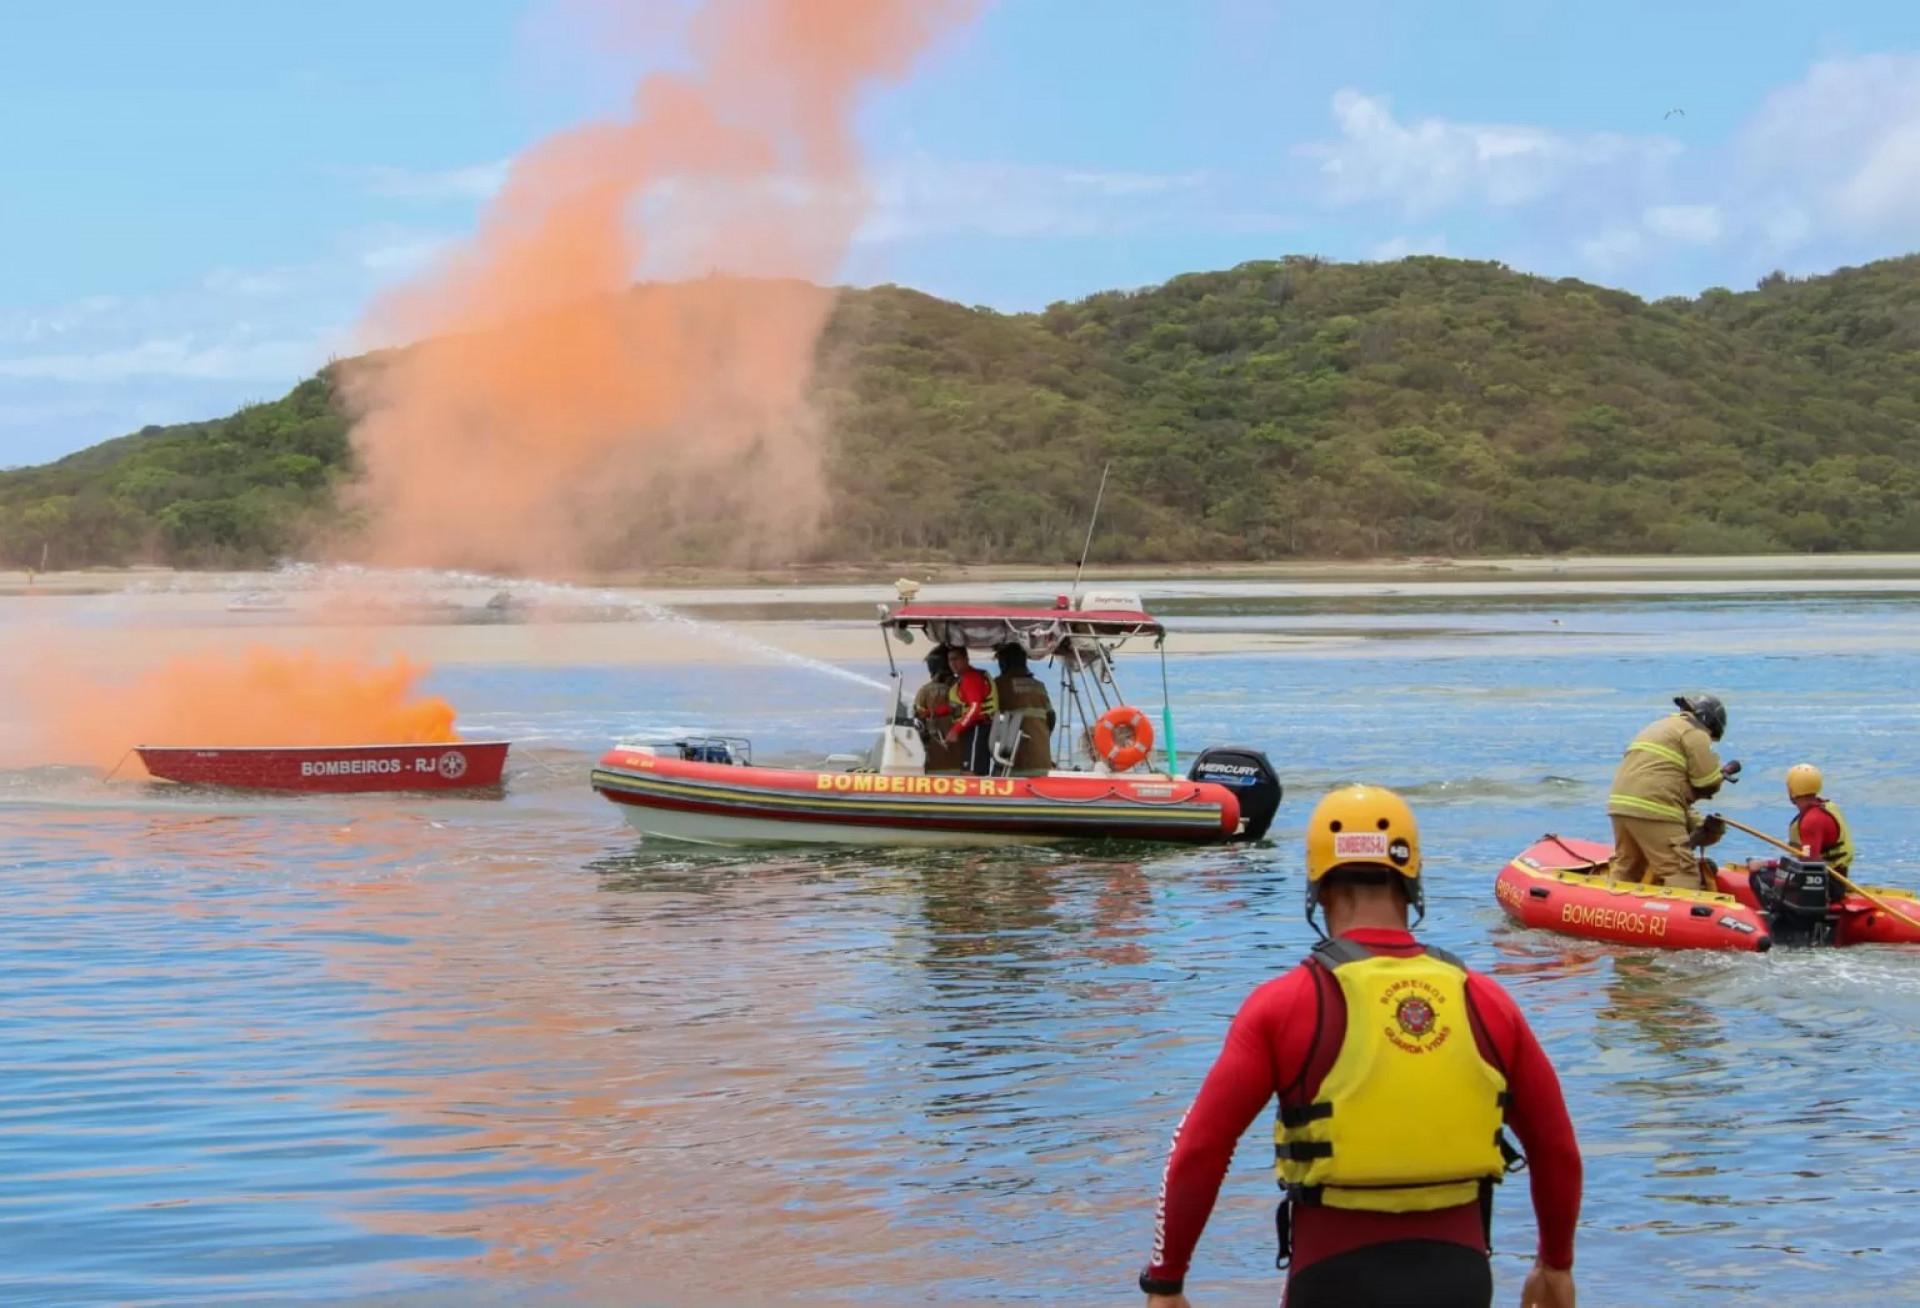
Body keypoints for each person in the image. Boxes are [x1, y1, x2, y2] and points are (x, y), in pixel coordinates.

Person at [1139, 785, 1581, 1308]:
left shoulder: (1282, 1005)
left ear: (1317, 889)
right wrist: (1555, 1266)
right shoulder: (1487, 1003)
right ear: (1412, 883)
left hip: (1330, 1282)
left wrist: (1166, 1282)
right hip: (1459, 1280)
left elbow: (1198, 1150)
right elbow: (1557, 1150)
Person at [1605, 693, 1741, 891]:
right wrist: (1719, 776)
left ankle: (1613, 911)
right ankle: (1684, 918)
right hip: (1653, 808)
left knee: (1628, 866)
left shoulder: (1662, 726)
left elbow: (1670, 785)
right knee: (1680, 869)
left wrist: (1699, 825)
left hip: (1621, 806)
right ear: (1710, 723)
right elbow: (1707, 782)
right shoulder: (1694, 733)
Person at [991, 642, 1056, 774]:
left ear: (1004, 663)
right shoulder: (1039, 686)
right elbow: (1051, 718)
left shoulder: (998, 685)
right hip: (1041, 760)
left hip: (1014, 763)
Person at [1784, 762, 1852, 873]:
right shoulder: (1828, 807)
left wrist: (1768, 864)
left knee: (1761, 875)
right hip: (1836, 875)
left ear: (1791, 790)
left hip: (1827, 882)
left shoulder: (1812, 821)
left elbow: (1810, 862)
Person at [944, 646, 998, 776]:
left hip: (978, 729)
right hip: (973, 729)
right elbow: (957, 705)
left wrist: (955, 729)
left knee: (970, 772)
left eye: (956, 659)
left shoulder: (971, 679)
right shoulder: (963, 680)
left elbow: (974, 708)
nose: (953, 663)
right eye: (950, 660)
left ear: (966, 659)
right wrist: (931, 712)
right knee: (970, 770)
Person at [911, 645, 963, 773]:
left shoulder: (924, 691)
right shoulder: (961, 686)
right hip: (960, 758)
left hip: (934, 760)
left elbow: (917, 721)